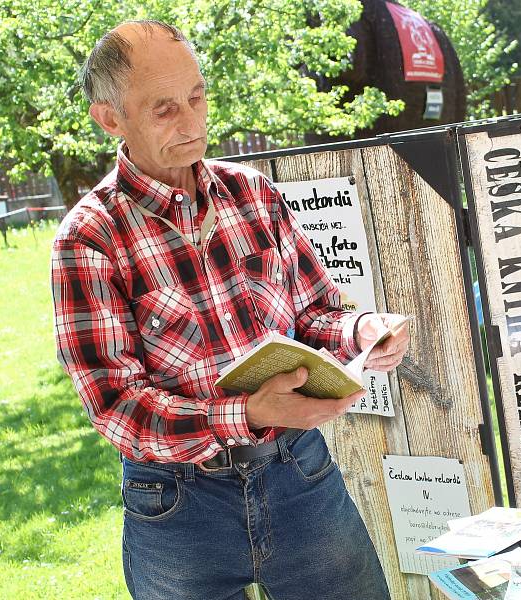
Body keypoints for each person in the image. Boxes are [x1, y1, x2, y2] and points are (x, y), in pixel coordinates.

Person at [51, 19, 410, 600]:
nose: (192, 122)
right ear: (109, 117)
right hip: (176, 507)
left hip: (300, 474)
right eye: (164, 109)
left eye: (196, 96)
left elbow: (314, 313)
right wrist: (244, 413)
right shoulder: (90, 238)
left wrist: (362, 329)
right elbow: (118, 407)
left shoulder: (253, 193)